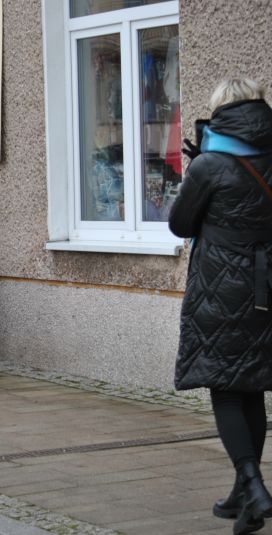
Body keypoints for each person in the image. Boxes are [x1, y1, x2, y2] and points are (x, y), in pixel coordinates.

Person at [169, 78, 272, 535]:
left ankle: (253, 484)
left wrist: (196, 174)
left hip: (221, 288)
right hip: (266, 286)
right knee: (251, 384)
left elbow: (180, 224)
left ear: (220, 112)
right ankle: (242, 497)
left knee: (226, 387)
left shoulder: (210, 164)